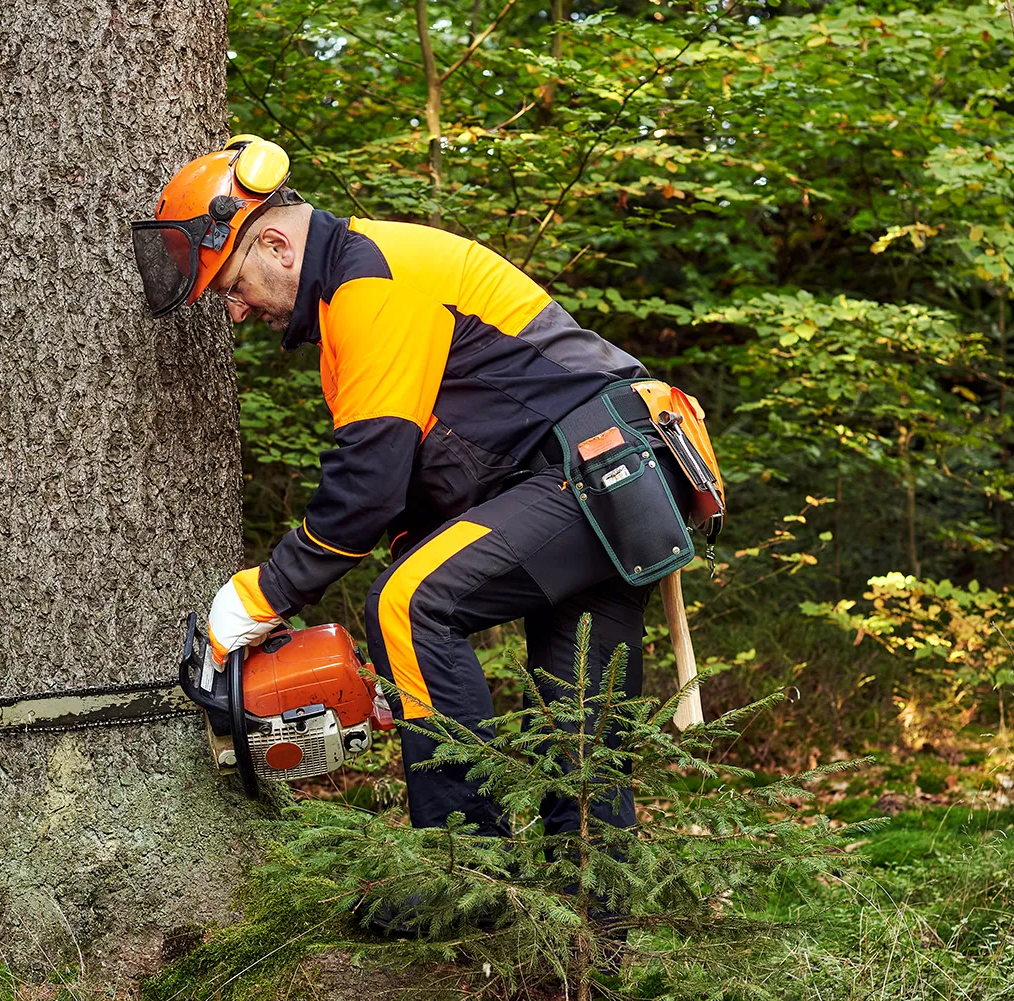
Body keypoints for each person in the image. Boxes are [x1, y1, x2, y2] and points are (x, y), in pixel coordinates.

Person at [130, 135, 714, 842]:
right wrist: (407, 686)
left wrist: (259, 597)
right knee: (579, 738)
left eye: (234, 287)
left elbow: (367, 491)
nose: (237, 313)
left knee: (410, 604)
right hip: (601, 482)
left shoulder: (370, 284)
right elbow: (418, 496)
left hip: (598, 464)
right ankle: (583, 935)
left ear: (279, 247)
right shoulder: (356, 309)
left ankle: (466, 864)